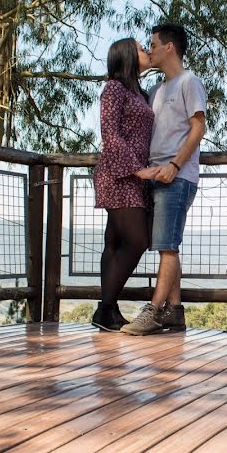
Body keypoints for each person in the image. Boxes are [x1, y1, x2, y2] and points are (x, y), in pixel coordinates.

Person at [122, 23, 207, 335]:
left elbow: (199, 128)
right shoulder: (157, 90)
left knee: (168, 246)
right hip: (155, 176)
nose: (150, 50)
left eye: (153, 44)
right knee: (166, 246)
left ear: (169, 46)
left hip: (178, 176)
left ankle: (154, 311)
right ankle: (175, 311)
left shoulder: (189, 82)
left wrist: (174, 165)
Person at [91, 38, 154, 332]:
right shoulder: (114, 89)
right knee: (138, 240)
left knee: (114, 243)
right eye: (142, 49)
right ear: (129, 55)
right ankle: (105, 309)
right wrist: (136, 169)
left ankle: (109, 309)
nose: (147, 52)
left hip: (133, 175)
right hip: (118, 174)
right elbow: (110, 134)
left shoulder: (138, 92)